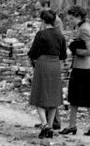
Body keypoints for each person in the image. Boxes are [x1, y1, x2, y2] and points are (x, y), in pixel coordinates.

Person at [27, 8, 67, 139]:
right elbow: (63, 55)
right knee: (53, 97)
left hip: (43, 64)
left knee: (39, 95)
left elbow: (33, 52)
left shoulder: (41, 34)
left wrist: (32, 60)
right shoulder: (60, 35)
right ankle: (50, 124)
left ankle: (44, 124)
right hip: (55, 64)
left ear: (43, 20)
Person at [61, 5, 90, 136]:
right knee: (77, 97)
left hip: (82, 67)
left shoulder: (84, 29)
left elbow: (89, 51)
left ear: (78, 16)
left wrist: (74, 49)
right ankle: (78, 125)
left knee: (79, 97)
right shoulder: (85, 27)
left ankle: (86, 124)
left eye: (71, 18)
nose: (70, 21)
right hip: (83, 67)